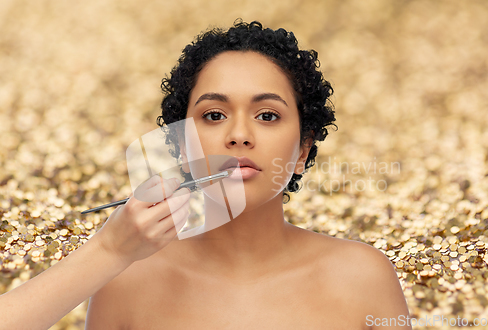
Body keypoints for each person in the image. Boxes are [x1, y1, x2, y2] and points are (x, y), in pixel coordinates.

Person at [0, 20, 411, 329]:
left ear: (303, 150)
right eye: (214, 115)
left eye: (267, 115)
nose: (238, 135)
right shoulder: (127, 280)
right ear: (181, 146)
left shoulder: (363, 277)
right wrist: (110, 251)